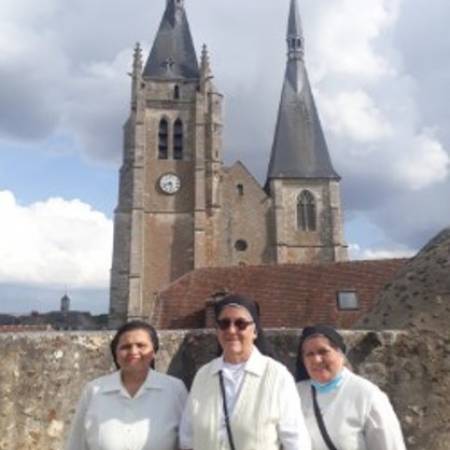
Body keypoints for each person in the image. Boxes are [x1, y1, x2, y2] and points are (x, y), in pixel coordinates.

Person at [179, 294, 311, 450]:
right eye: (224, 323)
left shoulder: (277, 376)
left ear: (254, 331)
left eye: (241, 324)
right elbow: (187, 437)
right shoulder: (203, 375)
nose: (231, 330)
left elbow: (297, 442)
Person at [66, 320, 187, 450]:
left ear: (153, 352)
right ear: (116, 354)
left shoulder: (174, 390)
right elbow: (76, 443)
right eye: (125, 347)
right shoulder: (94, 391)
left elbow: (188, 441)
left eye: (141, 345)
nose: (133, 351)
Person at [295, 324, 406, 450]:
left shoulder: (367, 395)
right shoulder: (294, 394)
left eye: (323, 351)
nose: (316, 359)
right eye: (309, 354)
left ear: (340, 355)